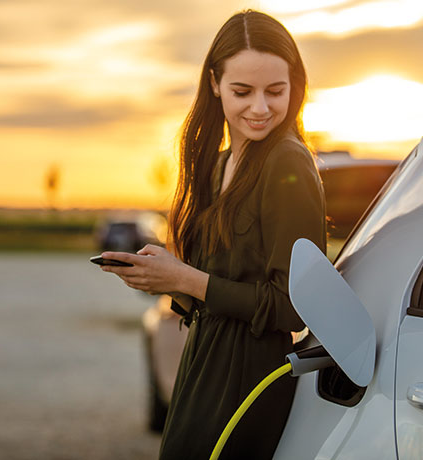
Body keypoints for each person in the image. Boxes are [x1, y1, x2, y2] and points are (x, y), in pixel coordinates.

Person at [99, 10, 325, 459]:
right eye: (243, 91)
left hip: (249, 379)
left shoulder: (287, 162)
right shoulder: (217, 165)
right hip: (202, 362)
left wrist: (184, 279)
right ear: (215, 83)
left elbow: (292, 307)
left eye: (275, 91)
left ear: (294, 86)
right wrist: (163, 276)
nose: (260, 108)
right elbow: (215, 287)